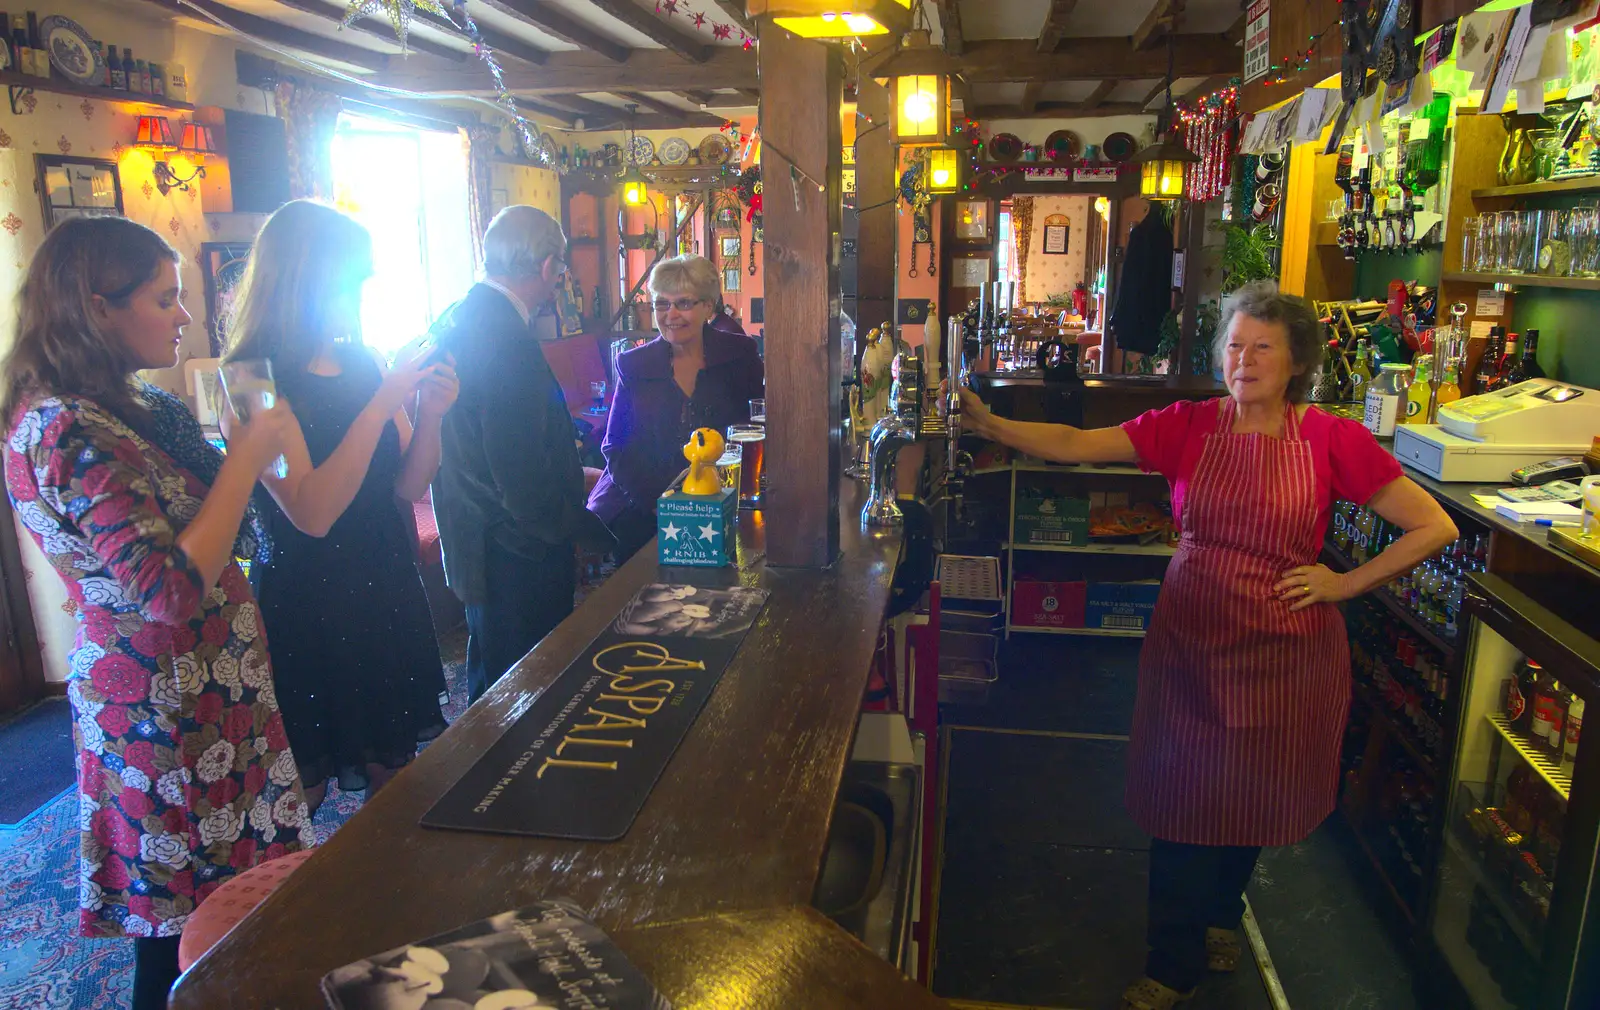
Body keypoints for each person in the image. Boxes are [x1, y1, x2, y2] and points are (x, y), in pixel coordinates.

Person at [958, 281, 1458, 1010]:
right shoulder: (1187, 424)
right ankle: (1172, 960)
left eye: (1262, 347)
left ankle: (1224, 912)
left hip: (1288, 648)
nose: (1243, 359)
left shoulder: (1331, 438)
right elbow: (1076, 444)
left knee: (1253, 793)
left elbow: (1432, 526)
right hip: (1193, 637)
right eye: (1233, 344)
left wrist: (1343, 585)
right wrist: (994, 425)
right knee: (1182, 795)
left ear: (1296, 363)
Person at [1, 218, 315, 1008]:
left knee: (225, 909)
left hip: (206, 696)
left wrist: (246, 452)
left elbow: (233, 521)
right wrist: (244, 455)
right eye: (164, 298)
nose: (184, 316)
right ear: (96, 308)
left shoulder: (130, 405)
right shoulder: (66, 427)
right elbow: (167, 591)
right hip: (162, 710)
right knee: (177, 927)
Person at [225, 200, 458, 814]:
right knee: (302, 785)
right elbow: (313, 512)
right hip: (311, 601)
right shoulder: (252, 382)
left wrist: (430, 412)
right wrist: (383, 402)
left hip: (383, 583)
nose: (360, 291)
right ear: (307, 277)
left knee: (397, 776)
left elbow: (409, 486)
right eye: (353, 277)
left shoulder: (361, 361)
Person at [429, 206, 600, 702]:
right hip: (515, 550)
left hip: (475, 535)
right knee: (526, 695)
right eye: (561, 269)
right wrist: (561, 530)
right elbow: (518, 468)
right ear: (549, 267)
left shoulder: (462, 316)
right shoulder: (506, 338)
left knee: (492, 683)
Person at [587, 255, 764, 557]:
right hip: (644, 508)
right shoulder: (633, 364)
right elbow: (616, 449)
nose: (671, 315)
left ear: (708, 306)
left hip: (723, 502)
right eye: (661, 304)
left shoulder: (740, 353)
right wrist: (665, 505)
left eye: (683, 303)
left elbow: (756, 425)